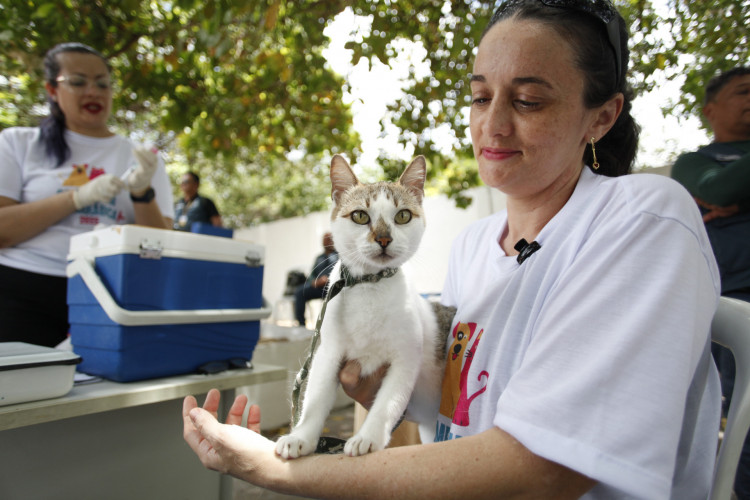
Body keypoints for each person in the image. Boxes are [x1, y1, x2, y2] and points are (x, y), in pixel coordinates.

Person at [182, 1, 722, 498]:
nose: (493, 124)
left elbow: (541, 472)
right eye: (480, 96)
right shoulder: (472, 247)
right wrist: (353, 394)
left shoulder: (641, 217)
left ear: (601, 117)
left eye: (529, 100)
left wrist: (273, 469)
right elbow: (456, 418)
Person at [0, 42, 174, 348]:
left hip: (111, 292)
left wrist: (142, 192)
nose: (93, 92)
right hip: (22, 290)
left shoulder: (142, 158)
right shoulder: (18, 143)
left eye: (102, 84)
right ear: (52, 90)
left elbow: (160, 247)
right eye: (78, 82)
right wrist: (76, 198)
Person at [671, 66, 750, 499]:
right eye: (743, 91)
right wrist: (731, 196)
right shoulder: (694, 164)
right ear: (710, 110)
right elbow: (719, 190)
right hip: (737, 292)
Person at [293, 232, 338, 327]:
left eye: (329, 239)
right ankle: (301, 324)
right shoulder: (319, 258)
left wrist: (329, 279)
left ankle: (332, 325)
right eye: (325, 239)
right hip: (318, 287)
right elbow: (312, 274)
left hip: (332, 287)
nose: (327, 241)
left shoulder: (339, 256)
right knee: (300, 291)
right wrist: (314, 281)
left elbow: (342, 272)